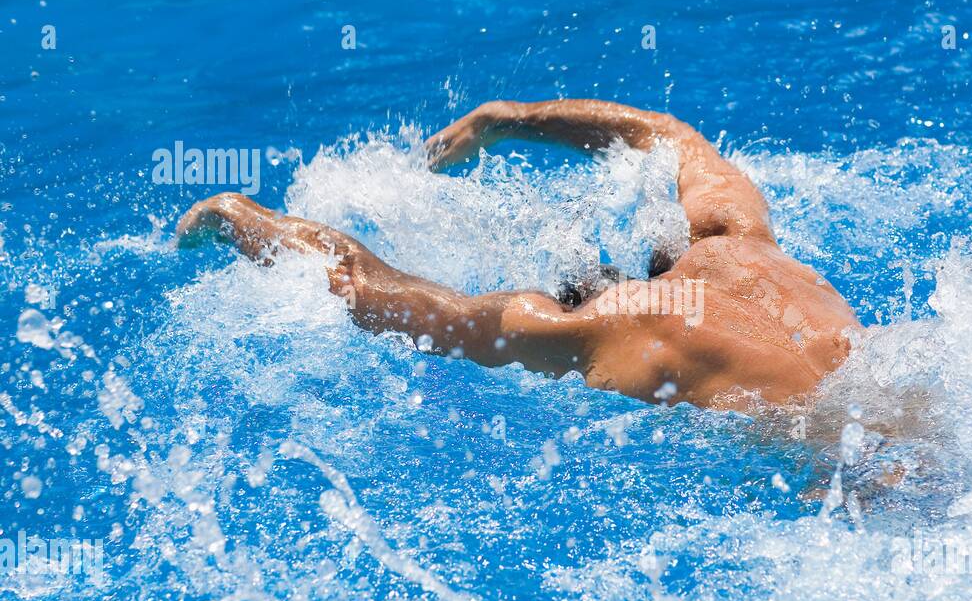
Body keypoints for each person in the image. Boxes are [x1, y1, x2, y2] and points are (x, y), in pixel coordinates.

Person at [177, 99, 865, 411]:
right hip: (921, 408)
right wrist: (507, 118)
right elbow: (669, 134)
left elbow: (369, 289)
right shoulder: (740, 247)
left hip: (840, 467)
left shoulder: (599, 327)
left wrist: (239, 216)